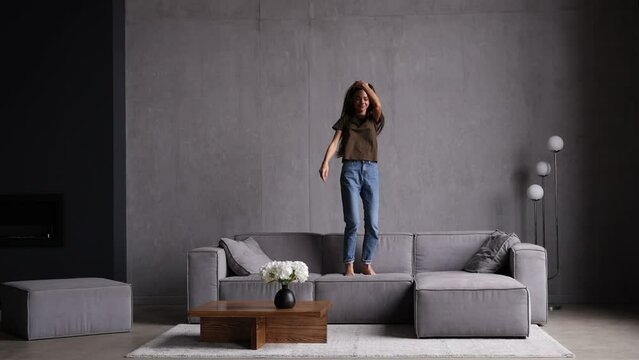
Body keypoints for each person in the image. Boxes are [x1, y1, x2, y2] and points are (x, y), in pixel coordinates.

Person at [319, 80, 385, 276]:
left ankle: (366, 263)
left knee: (372, 223)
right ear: (352, 101)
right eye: (358, 99)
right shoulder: (346, 119)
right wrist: (325, 162)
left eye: (365, 99)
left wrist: (364, 85)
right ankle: (348, 264)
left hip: (371, 172)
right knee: (353, 221)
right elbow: (334, 143)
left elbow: (378, 105)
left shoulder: (374, 118)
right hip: (350, 171)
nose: (362, 102)